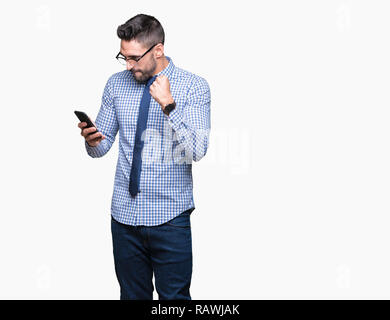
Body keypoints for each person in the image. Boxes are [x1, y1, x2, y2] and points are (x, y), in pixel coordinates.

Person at [77, 13, 211, 300]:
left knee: (174, 301)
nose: (129, 65)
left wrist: (170, 106)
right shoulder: (116, 84)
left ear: (158, 50)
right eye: (123, 57)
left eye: (135, 58)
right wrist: (92, 140)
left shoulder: (193, 87)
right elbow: (102, 147)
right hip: (124, 218)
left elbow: (197, 150)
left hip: (170, 218)